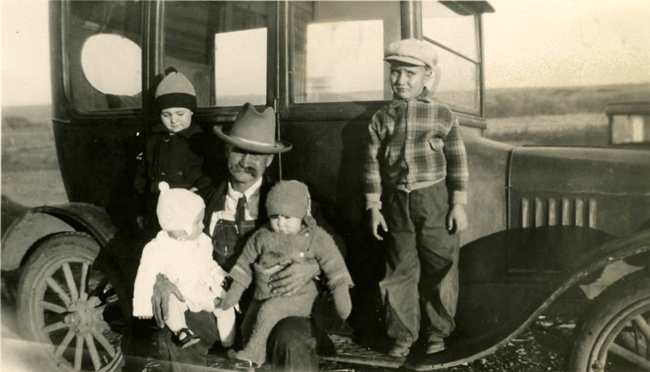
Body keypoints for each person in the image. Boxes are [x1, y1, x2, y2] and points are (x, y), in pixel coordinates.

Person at [151, 102, 336, 372]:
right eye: (239, 150)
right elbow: (165, 240)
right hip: (217, 305)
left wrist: (311, 266)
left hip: (274, 307)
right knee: (174, 337)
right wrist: (162, 279)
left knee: (291, 341)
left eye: (256, 155)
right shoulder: (200, 196)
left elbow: (332, 245)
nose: (246, 162)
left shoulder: (291, 199)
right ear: (227, 150)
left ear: (270, 159)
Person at [363, 38, 469, 358]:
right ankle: (402, 335)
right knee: (399, 269)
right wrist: (373, 206)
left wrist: (458, 203)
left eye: (410, 74)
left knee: (441, 265)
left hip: (434, 199)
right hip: (396, 203)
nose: (401, 80)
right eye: (395, 73)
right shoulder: (381, 118)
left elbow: (458, 160)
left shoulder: (442, 114)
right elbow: (371, 164)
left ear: (427, 76)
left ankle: (437, 333)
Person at [219, 180, 353, 367]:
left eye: (288, 218)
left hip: (296, 297)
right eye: (275, 217)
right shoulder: (262, 235)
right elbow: (245, 262)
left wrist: (341, 292)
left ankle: (254, 354)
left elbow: (334, 262)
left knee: (269, 312)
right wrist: (235, 291)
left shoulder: (314, 236)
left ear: (302, 215)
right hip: (262, 294)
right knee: (249, 323)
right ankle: (250, 352)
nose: (281, 223)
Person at [132, 182, 236, 349]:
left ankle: (229, 345)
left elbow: (210, 265)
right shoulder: (159, 246)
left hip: (201, 290)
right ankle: (181, 331)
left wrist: (224, 278)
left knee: (225, 306)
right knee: (171, 304)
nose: (203, 226)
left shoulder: (201, 241)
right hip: (179, 292)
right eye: (197, 222)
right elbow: (145, 275)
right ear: (180, 225)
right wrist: (142, 307)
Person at [134, 67, 212, 232]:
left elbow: (211, 175)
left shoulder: (201, 141)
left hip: (189, 213)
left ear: (191, 111)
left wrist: (193, 193)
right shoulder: (153, 142)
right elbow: (143, 179)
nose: (174, 120)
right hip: (157, 212)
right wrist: (142, 211)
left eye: (180, 113)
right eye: (166, 114)